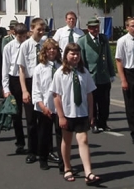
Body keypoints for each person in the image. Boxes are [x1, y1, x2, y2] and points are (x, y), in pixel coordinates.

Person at [51, 43, 100, 185]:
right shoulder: (60, 72)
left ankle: (88, 172)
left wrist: (91, 114)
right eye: (72, 54)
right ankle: (67, 167)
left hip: (82, 113)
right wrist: (60, 116)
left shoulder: (84, 72)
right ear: (66, 55)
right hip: (67, 113)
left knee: (83, 140)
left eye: (77, 54)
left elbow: (90, 94)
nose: (75, 56)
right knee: (66, 141)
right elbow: (56, 96)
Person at [17, 17, 47, 163]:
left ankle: (44, 151)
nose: (41, 32)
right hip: (29, 83)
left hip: (43, 84)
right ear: (32, 29)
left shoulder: (46, 45)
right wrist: (24, 90)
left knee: (44, 120)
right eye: (38, 29)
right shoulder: (25, 46)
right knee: (31, 120)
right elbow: (21, 70)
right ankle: (32, 151)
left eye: (43, 30)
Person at [78, 18, 115, 133]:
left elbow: (108, 56)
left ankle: (103, 123)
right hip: (91, 76)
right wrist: (83, 75)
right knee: (92, 103)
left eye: (97, 27)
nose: (95, 29)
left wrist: (112, 73)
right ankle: (92, 122)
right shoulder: (83, 41)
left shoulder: (103, 38)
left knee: (104, 102)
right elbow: (82, 60)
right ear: (88, 28)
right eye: (93, 28)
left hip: (103, 75)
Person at [32, 38, 63, 171]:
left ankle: (63, 163)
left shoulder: (62, 67)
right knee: (44, 134)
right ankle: (43, 159)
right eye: (49, 49)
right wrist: (42, 107)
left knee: (61, 136)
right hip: (45, 106)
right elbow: (36, 90)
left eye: (54, 49)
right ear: (44, 51)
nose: (51, 51)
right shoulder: (39, 68)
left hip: (60, 107)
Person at [115, 17, 134, 145]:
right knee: (131, 105)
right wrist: (123, 80)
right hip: (129, 73)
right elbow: (119, 60)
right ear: (127, 27)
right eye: (132, 26)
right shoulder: (122, 41)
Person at [2, 22, 29, 154]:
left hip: (27, 79)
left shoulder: (29, 45)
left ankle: (33, 143)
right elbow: (5, 68)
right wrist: (6, 88)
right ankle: (20, 142)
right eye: (20, 36)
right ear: (14, 34)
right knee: (16, 113)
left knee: (30, 113)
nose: (22, 38)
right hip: (14, 80)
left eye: (24, 36)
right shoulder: (9, 47)